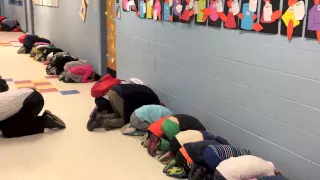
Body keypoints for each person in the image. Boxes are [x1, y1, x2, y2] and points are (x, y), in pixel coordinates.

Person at [87, 84, 161, 131]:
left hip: (113, 90)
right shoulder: (154, 104)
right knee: (128, 120)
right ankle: (102, 122)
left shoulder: (152, 95)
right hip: (122, 96)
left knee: (118, 114)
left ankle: (99, 116)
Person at [0, 88, 66, 138]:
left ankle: (45, 122)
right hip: (29, 94)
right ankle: (45, 118)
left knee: (8, 131)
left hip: (32, 102)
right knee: (5, 124)